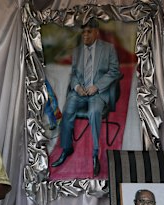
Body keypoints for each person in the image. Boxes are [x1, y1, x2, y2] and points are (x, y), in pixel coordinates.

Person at [51, 18, 121, 176]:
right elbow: (75, 74)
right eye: (83, 32)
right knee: (67, 111)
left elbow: (115, 71)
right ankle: (67, 148)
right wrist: (76, 87)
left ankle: (95, 153)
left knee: (94, 112)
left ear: (96, 32)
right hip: (80, 93)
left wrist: (97, 86)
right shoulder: (77, 51)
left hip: (98, 92)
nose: (85, 35)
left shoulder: (108, 49)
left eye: (89, 32)